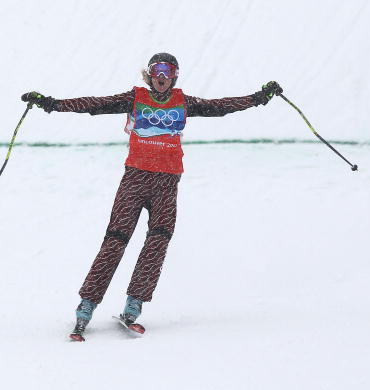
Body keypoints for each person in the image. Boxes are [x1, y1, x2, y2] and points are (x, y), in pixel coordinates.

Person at [21, 52, 283, 341]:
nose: (162, 75)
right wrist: (51, 104)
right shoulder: (135, 97)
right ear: (149, 74)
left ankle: (134, 306)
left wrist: (259, 97)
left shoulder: (184, 102)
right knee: (116, 239)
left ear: (174, 76)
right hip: (135, 178)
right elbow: (94, 104)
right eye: (157, 70)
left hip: (168, 181)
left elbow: (220, 107)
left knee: (158, 239)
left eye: (168, 71)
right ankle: (86, 308)